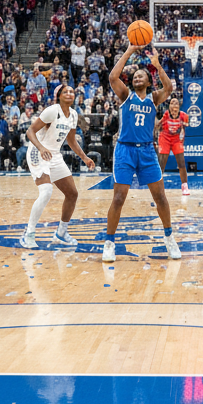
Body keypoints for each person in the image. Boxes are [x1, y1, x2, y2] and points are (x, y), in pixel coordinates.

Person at [102, 43, 181, 264]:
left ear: (148, 81)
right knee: (118, 198)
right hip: (125, 150)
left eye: (141, 76)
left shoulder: (154, 98)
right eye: (134, 76)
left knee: (160, 197)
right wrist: (128, 50)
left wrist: (157, 65)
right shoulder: (126, 95)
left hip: (147, 151)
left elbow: (169, 88)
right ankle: (109, 243)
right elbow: (112, 77)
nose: (136, 78)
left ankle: (169, 238)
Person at [18, 82, 96, 249]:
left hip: (54, 154)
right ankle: (29, 234)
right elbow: (30, 131)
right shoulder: (52, 111)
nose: (69, 93)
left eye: (72, 91)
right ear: (59, 96)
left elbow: (71, 140)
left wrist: (84, 158)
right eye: (65, 91)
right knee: (46, 191)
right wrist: (41, 148)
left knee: (72, 193)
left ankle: (61, 233)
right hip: (38, 150)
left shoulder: (74, 115)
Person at [157, 97, 190, 196]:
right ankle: (157, 186)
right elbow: (158, 126)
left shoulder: (184, 116)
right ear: (169, 106)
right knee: (161, 163)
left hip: (176, 139)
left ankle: (184, 186)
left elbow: (185, 127)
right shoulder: (165, 114)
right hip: (165, 137)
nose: (174, 105)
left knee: (181, 162)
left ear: (179, 106)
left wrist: (181, 127)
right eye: (172, 103)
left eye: (176, 103)